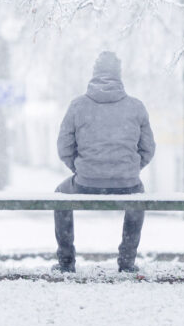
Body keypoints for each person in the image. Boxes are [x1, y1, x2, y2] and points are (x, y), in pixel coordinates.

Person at [53, 51, 155, 273]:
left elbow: (64, 147)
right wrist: (129, 169)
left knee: (60, 195)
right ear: (119, 74)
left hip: (85, 182)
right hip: (127, 184)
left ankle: (66, 262)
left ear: (94, 73)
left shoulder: (78, 106)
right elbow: (148, 149)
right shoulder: (136, 107)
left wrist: (82, 168)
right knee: (138, 196)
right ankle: (127, 261)